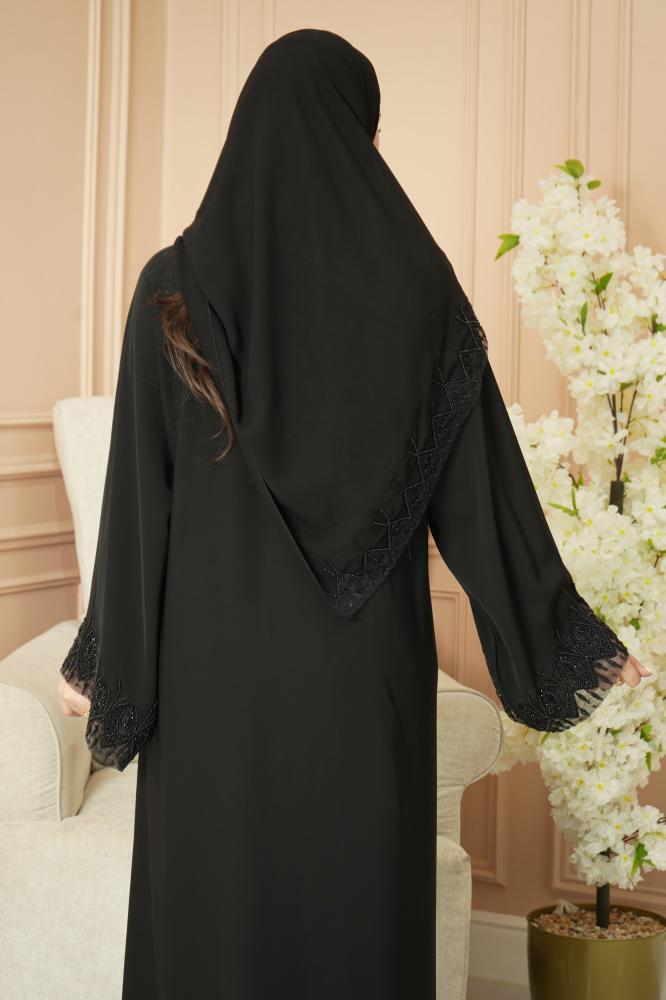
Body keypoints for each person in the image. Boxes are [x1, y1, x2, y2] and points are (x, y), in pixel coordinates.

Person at [56, 27, 649, 1000]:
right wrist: (567, 639)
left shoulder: (173, 289)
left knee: (217, 938)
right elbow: (486, 495)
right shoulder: (420, 293)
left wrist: (106, 665)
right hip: (361, 700)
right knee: (354, 940)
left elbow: (138, 510)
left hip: (214, 704)